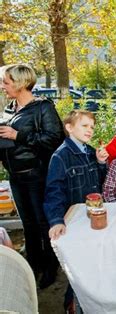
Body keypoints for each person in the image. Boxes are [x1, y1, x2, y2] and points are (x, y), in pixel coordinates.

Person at [0, 64, 64, 289]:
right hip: (16, 176)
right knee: (28, 224)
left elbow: (54, 139)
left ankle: (50, 267)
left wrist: (19, 135)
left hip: (37, 176)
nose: (2, 87)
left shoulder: (42, 108)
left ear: (19, 83)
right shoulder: (10, 108)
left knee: (41, 222)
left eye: (5, 82)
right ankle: (33, 264)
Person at [44, 110, 109, 240]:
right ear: (69, 128)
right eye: (84, 126)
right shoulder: (60, 156)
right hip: (75, 217)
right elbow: (54, 191)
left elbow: (101, 182)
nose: (89, 130)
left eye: (92, 127)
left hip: (95, 213)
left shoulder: (91, 152)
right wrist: (56, 220)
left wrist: (101, 163)